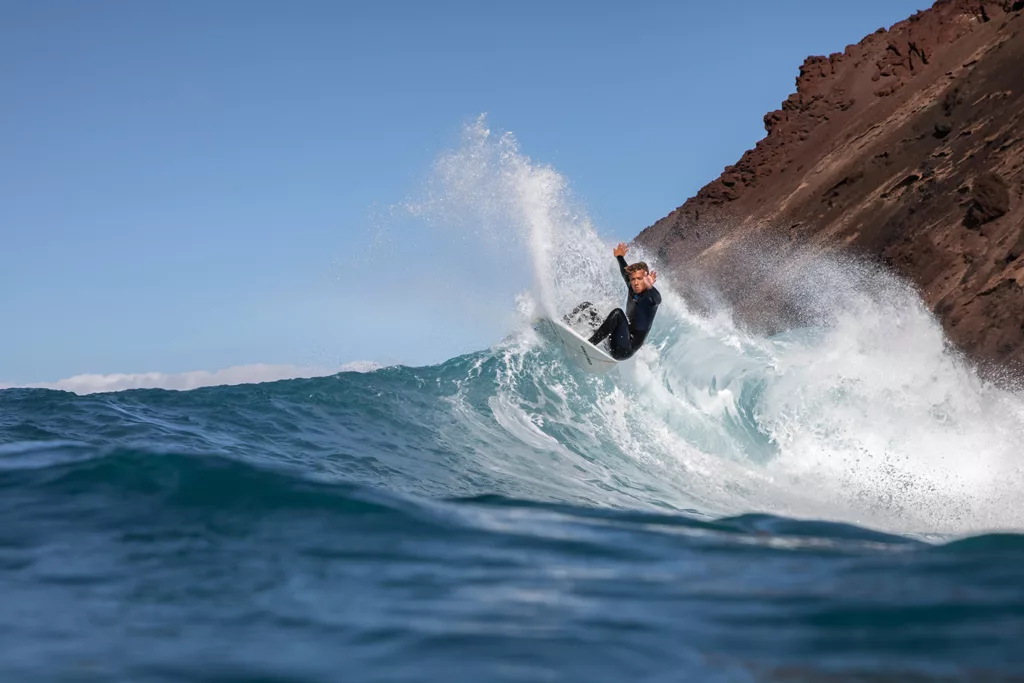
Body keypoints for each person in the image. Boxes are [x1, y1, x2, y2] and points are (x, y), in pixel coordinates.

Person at [587, 242, 661, 360]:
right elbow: (625, 273)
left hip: (625, 350)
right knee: (587, 308)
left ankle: (589, 345)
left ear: (646, 279)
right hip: (614, 340)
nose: (636, 282)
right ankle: (563, 323)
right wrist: (619, 257)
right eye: (633, 279)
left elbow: (658, 299)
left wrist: (649, 286)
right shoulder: (633, 287)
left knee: (618, 314)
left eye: (640, 279)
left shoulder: (650, 299)